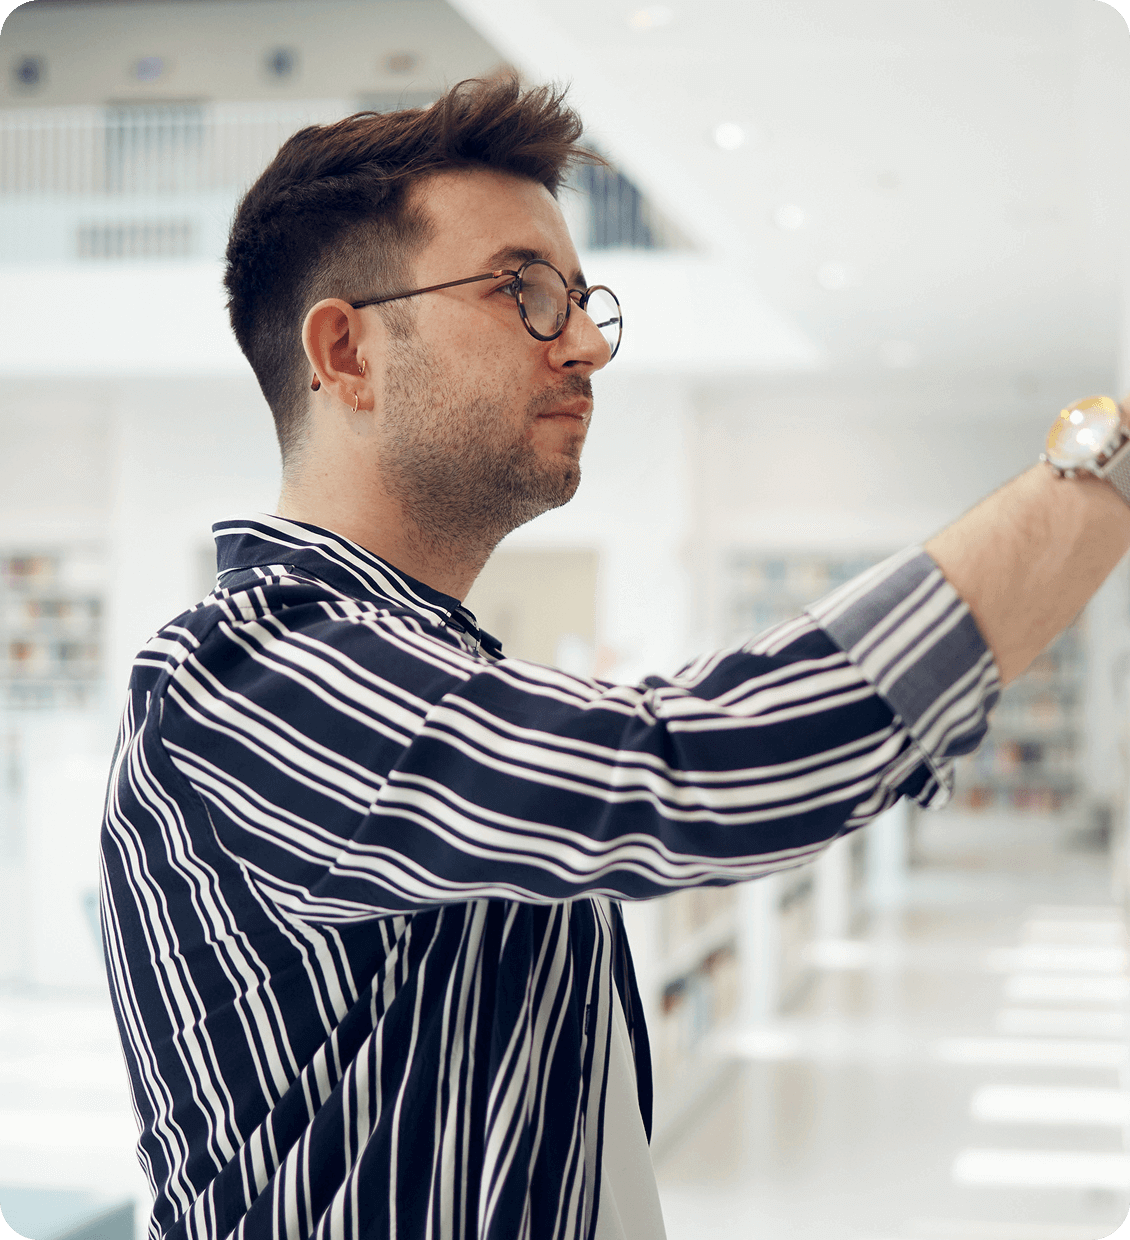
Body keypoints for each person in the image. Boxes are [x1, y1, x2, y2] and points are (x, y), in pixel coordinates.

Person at [98, 76, 1130, 1240]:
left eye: (582, 297)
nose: (585, 343)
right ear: (346, 352)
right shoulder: (246, 680)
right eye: (523, 291)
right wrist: (1104, 477)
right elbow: (684, 766)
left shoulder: (417, 660)